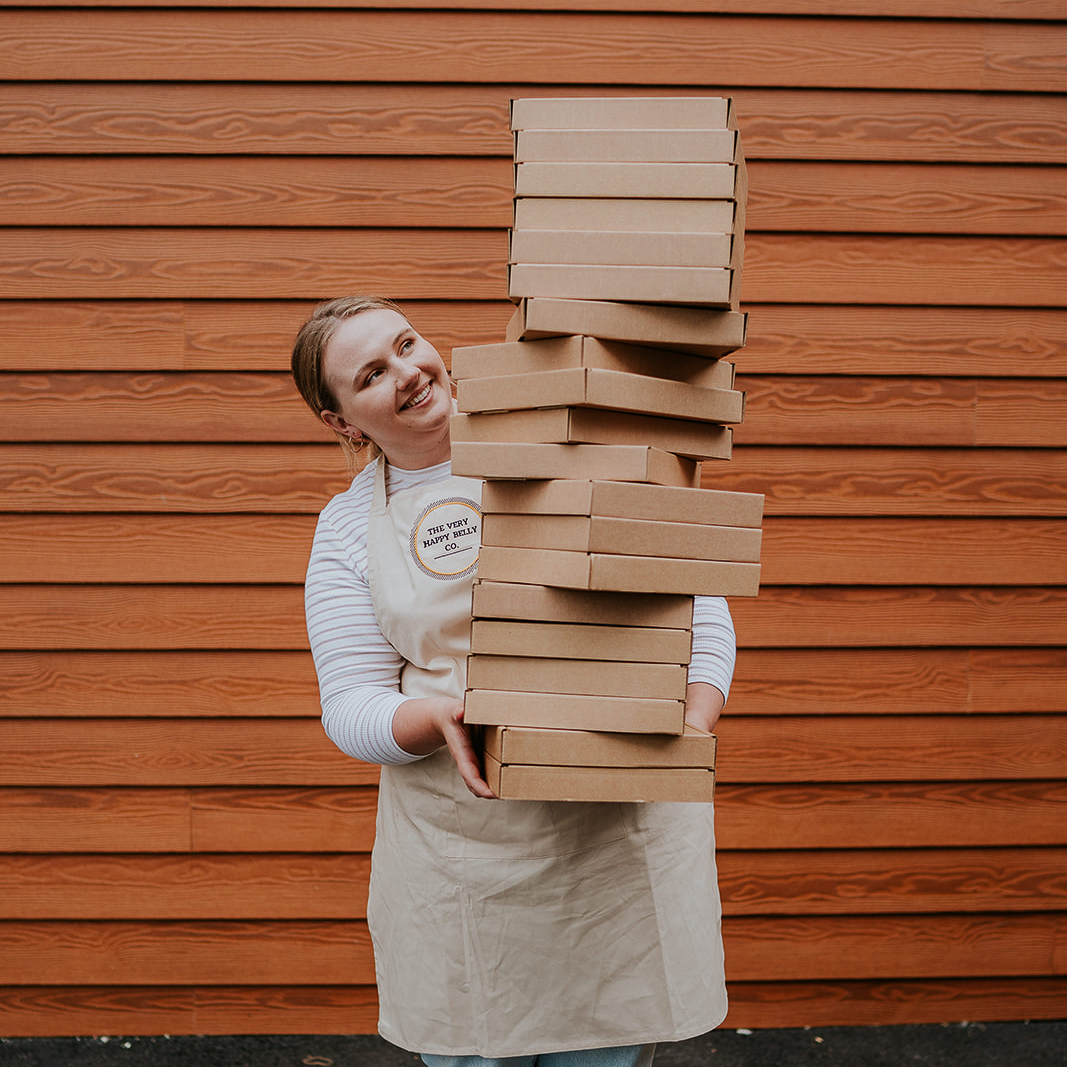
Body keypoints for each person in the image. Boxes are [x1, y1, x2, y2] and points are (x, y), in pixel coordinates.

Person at [291, 296, 737, 1067]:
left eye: (406, 343)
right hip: (467, 853)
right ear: (342, 422)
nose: (408, 371)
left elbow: (695, 602)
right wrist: (436, 715)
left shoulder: (573, 443)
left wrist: (689, 730)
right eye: (370, 373)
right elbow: (350, 703)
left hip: (611, 839)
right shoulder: (344, 529)